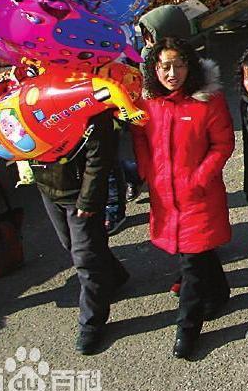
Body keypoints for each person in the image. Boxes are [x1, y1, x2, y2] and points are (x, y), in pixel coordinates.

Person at [133, 37, 235, 359]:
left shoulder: (208, 101)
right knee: (198, 253)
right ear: (154, 68)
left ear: (189, 65)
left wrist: (198, 178)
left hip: (198, 195)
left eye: (178, 64)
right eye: (165, 66)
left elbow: (223, 144)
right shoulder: (147, 102)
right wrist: (148, 173)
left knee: (191, 261)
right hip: (165, 195)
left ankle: (187, 330)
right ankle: (219, 293)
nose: (172, 73)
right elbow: (140, 138)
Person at [31, 114, 127, 355]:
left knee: (84, 257)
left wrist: (88, 198)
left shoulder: (84, 95)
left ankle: (91, 323)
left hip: (80, 193)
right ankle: (115, 274)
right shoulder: (28, 89)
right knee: (71, 245)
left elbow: (101, 153)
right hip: (48, 185)